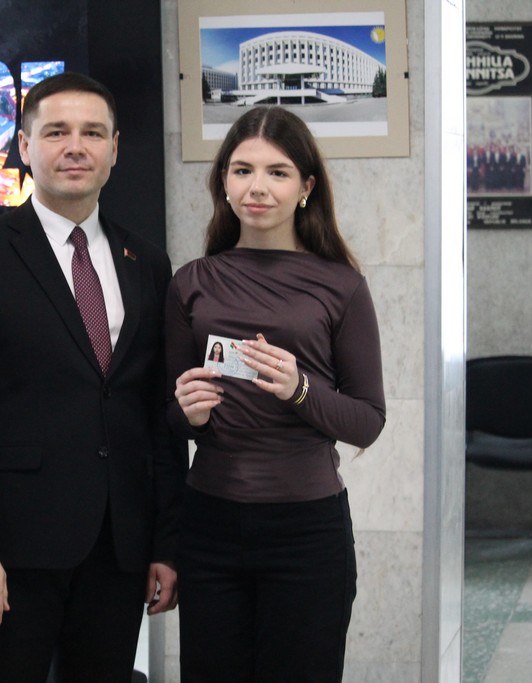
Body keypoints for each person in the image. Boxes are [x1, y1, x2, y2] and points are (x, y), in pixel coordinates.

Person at [0, 71, 183, 683]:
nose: (76, 147)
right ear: (24, 145)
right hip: (11, 552)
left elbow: (158, 415)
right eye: (56, 132)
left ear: (114, 149)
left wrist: (165, 544)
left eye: (92, 133)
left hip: (118, 549)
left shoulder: (146, 262)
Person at [166, 106, 386, 682]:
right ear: (223, 181)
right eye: (242, 170)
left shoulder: (342, 286)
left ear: (306, 187)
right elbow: (168, 417)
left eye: (277, 172)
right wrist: (187, 414)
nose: (257, 187)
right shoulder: (190, 282)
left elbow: (367, 420)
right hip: (209, 524)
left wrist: (300, 389)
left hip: (307, 531)